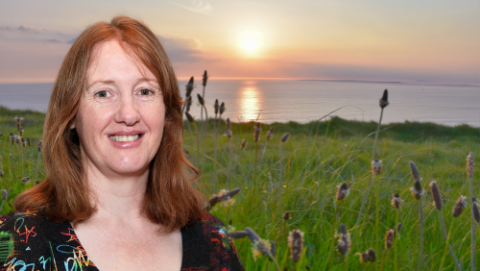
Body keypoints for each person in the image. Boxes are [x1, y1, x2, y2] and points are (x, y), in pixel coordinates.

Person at [0, 16, 244, 271]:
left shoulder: (215, 242)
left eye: (145, 91)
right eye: (103, 93)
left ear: (167, 113)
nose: (128, 114)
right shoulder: (18, 244)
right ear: (71, 115)